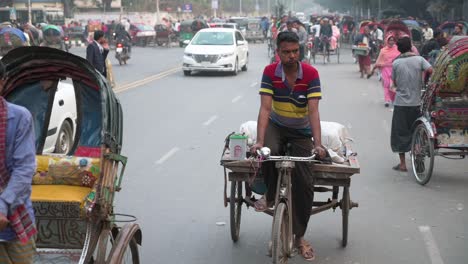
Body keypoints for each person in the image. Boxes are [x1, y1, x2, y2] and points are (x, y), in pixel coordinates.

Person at [251, 31, 326, 262]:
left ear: (299, 51)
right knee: (268, 154)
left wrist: (319, 144)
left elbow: (313, 111)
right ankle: (271, 195)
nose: (291, 55)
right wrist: (260, 141)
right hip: (277, 125)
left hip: (301, 132)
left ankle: (299, 236)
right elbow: (265, 109)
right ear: (278, 53)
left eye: (295, 51)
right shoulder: (270, 72)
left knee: (304, 183)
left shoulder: (311, 74)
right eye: (286, 52)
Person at [0, 62, 37, 263]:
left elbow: (24, 168)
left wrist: (3, 204)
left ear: (2, 83)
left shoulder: (19, 117)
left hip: (15, 215)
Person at [391, 37, 433, 172]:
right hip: (416, 103)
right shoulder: (419, 59)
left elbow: (395, 82)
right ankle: (418, 154)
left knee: (400, 133)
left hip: (400, 104)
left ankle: (403, 164)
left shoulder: (396, 63)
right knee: (416, 131)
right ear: (410, 47)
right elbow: (432, 70)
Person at [368, 35, 400, 107]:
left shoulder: (397, 49)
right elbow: (379, 60)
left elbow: (400, 59)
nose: (391, 42)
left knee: (393, 85)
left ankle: (393, 99)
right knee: (386, 85)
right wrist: (374, 68)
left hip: (394, 69)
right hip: (385, 69)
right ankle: (387, 100)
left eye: (392, 40)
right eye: (390, 40)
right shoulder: (383, 50)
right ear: (387, 41)